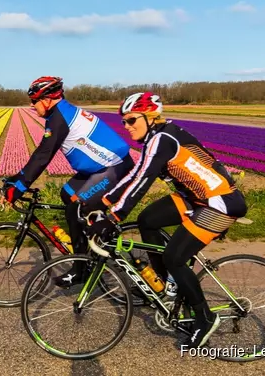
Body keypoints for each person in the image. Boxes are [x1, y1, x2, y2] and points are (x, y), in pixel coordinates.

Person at [86, 92, 248, 349]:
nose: (126, 127)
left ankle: (204, 318)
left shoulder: (162, 138)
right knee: (148, 220)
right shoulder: (156, 137)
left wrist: (114, 217)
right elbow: (137, 174)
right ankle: (162, 285)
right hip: (195, 198)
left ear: (149, 117)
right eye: (124, 122)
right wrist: (102, 203)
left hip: (220, 203)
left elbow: (143, 181)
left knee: (175, 257)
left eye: (130, 120)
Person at [1, 76, 135, 287]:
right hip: (99, 168)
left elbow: (43, 156)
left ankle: (81, 269)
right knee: (66, 194)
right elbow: (40, 153)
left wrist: (18, 188)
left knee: (76, 206)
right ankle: (93, 242)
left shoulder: (59, 118)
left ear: (46, 100)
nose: (31, 105)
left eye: (33, 101)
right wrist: (17, 178)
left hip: (113, 168)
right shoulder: (60, 113)